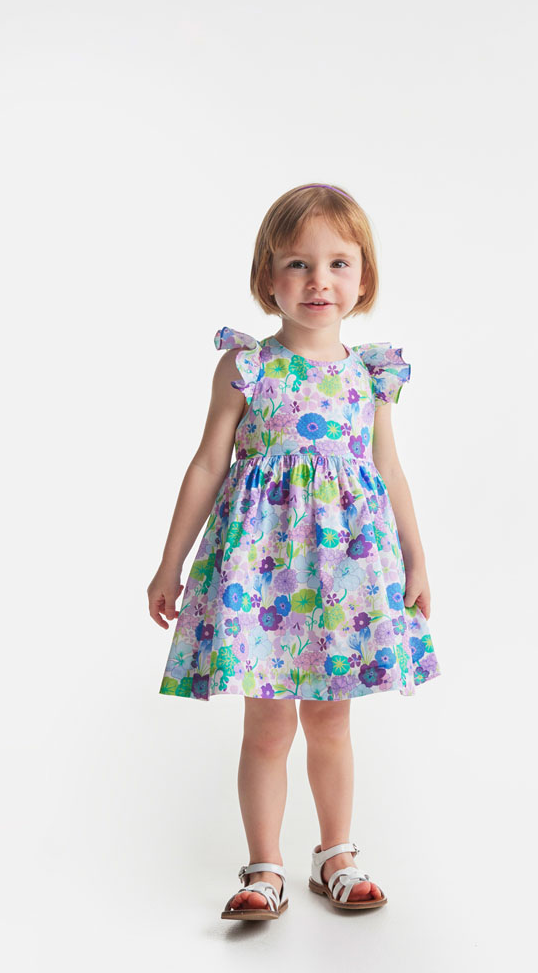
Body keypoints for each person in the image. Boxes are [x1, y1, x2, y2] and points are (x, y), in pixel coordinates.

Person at [148, 183, 441, 921]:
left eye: (339, 263)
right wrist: (169, 563)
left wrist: (416, 559)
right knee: (269, 726)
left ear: (363, 277)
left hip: (345, 577)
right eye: (298, 263)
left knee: (332, 723)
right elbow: (208, 464)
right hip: (261, 577)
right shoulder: (248, 367)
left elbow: (388, 469)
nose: (319, 281)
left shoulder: (369, 374)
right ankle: (264, 867)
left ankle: (336, 854)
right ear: (267, 277)